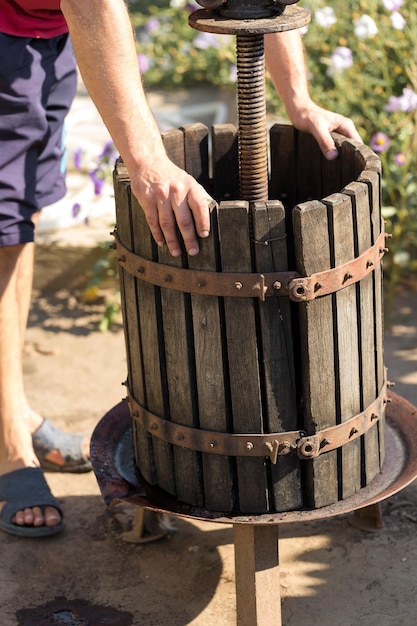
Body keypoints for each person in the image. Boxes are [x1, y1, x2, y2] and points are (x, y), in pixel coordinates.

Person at [0, 0, 362, 537]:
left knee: (17, 206)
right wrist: (146, 161)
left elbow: (257, 3)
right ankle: (9, 443)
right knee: (3, 223)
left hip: (43, 22)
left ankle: (16, 410)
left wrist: (299, 97)